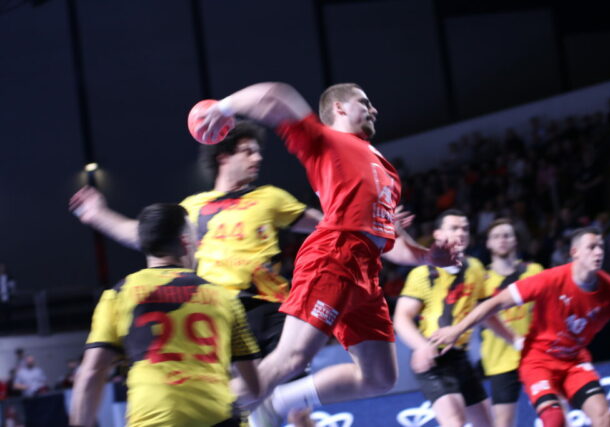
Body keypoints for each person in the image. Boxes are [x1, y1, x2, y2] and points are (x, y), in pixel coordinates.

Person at [194, 81, 461, 425]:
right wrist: (223, 108)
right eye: (364, 102)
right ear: (339, 108)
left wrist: (428, 257)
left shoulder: (388, 172)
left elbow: (394, 243)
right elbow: (274, 96)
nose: (374, 109)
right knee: (290, 359)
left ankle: (281, 401)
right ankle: (190, 416)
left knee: (379, 377)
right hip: (333, 256)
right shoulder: (326, 142)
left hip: (365, 272)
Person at [70, 121, 322, 356]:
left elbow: (324, 224)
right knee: (234, 387)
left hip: (268, 307)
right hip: (217, 309)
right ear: (223, 157)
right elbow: (144, 236)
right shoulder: (193, 206)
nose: (258, 158)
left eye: (258, 152)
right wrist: (99, 215)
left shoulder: (271, 197)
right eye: (248, 152)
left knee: (288, 378)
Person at [69, 203, 261, 427]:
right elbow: (253, 388)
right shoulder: (224, 297)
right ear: (185, 242)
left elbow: (92, 372)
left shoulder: (120, 294)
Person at [431, 227, 610, 427]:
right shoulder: (550, 279)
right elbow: (496, 302)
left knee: (604, 415)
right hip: (538, 360)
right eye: (592, 247)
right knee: (555, 420)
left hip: (574, 361)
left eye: (601, 247)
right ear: (574, 252)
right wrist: (457, 329)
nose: (599, 252)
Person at [393, 209, 511, 427]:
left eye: (465, 229)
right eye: (454, 228)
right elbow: (401, 318)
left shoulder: (475, 268)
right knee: (454, 422)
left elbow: (485, 313)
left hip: (461, 358)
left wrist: (516, 340)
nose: (461, 233)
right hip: (434, 359)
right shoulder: (423, 273)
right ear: (438, 234)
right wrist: (421, 347)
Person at [481, 219, 543, 427]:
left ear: (515, 240)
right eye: (496, 236)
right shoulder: (482, 279)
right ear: (488, 243)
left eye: (507, 235)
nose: (502, 240)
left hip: (535, 354)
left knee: (555, 411)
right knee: (504, 422)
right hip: (499, 359)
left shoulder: (534, 270)